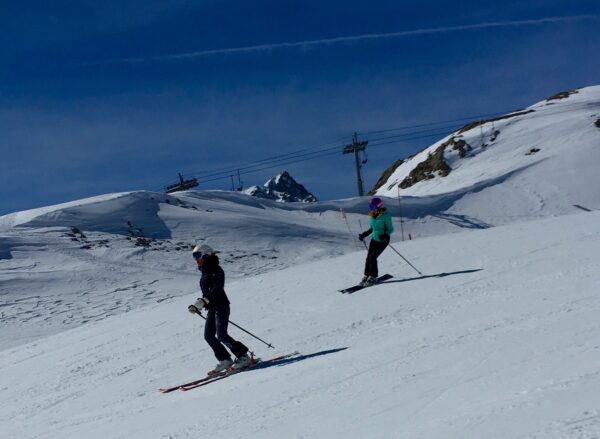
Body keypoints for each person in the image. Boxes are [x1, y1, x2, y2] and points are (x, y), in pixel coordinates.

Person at [187, 244, 252, 374]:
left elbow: (218, 288)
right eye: (194, 256)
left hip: (221, 306)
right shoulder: (205, 271)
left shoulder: (216, 269)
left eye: (197, 255)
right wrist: (199, 304)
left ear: (205, 255)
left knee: (222, 335)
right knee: (208, 336)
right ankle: (225, 360)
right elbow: (208, 292)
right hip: (212, 307)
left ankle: (244, 357)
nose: (196, 259)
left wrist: (204, 300)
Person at [358, 197, 394, 286]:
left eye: (373, 206)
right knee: (368, 258)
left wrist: (385, 235)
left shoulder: (386, 216)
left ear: (378, 206)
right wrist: (364, 234)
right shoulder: (372, 215)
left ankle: (373, 277)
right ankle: (367, 275)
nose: (371, 208)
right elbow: (372, 229)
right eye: (370, 206)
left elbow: (390, 229)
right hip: (374, 239)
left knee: (373, 258)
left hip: (383, 240)